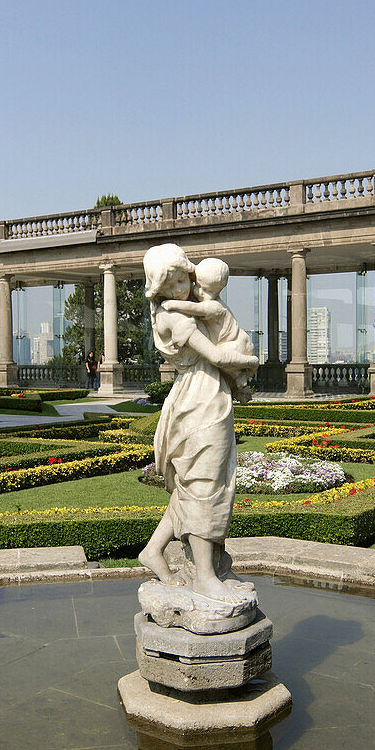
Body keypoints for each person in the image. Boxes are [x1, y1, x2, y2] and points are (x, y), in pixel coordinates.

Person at [136, 244, 258, 603]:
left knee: (206, 483)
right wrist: (251, 360)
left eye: (182, 279)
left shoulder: (186, 307)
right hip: (198, 400)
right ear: (158, 288)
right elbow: (218, 356)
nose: (180, 289)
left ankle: (164, 554)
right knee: (203, 484)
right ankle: (205, 576)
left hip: (208, 395)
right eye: (172, 284)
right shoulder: (175, 317)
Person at [160, 257, 257, 403]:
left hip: (235, 344)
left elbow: (196, 309)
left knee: (224, 363)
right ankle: (241, 385)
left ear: (219, 290)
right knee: (226, 368)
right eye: (197, 285)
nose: (199, 292)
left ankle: (249, 366)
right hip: (229, 343)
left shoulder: (215, 306)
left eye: (206, 290)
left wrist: (173, 304)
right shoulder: (209, 300)